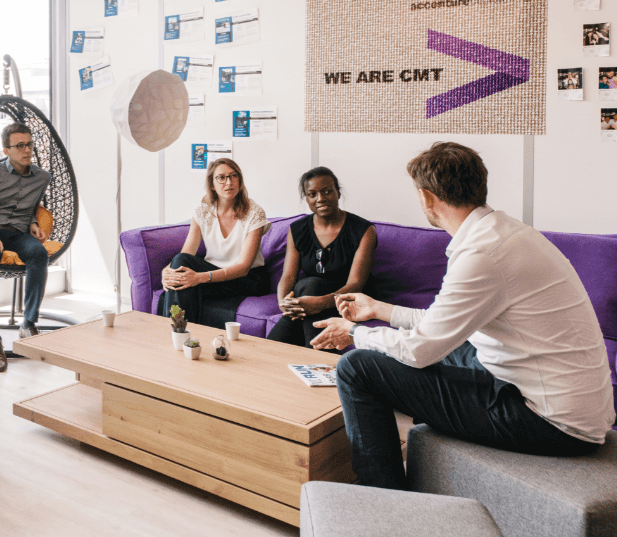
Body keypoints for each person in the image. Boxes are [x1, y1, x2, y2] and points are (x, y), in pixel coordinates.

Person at [309, 142, 614, 490]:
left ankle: (383, 497)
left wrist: (354, 333)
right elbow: (443, 325)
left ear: (426, 197)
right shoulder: (503, 232)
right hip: (561, 398)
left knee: (357, 368)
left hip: (551, 421)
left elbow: (419, 350)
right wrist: (378, 310)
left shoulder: (483, 254)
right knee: (454, 348)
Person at [267, 167, 376, 352]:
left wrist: (320, 303)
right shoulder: (297, 229)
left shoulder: (363, 230)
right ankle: (322, 362)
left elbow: (356, 283)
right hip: (306, 298)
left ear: (337, 192)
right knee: (310, 285)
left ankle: (290, 357)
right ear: (306, 198)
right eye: (312, 194)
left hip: (345, 301)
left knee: (312, 287)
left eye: (327, 191)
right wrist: (283, 303)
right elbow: (288, 277)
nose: (320, 198)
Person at [0, 122, 52, 372]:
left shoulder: (42, 177)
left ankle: (28, 323)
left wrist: (33, 223)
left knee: (39, 253)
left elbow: (30, 206)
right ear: (6, 150)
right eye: (20, 146)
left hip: (17, 233)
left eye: (29, 144)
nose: (27, 150)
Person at [160, 158, 271, 328]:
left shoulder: (254, 213)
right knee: (181, 265)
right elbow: (187, 252)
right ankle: (182, 334)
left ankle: (178, 334)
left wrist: (199, 278)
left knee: (182, 286)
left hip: (248, 278)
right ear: (212, 184)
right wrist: (167, 272)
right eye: (221, 177)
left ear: (240, 181)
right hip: (215, 271)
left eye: (234, 176)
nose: (229, 182)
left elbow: (244, 267)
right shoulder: (203, 211)